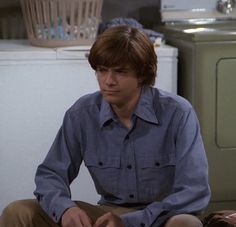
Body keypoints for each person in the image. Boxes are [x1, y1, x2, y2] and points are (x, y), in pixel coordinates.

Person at [1, 25, 211, 227]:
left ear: (141, 75)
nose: (108, 81)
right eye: (102, 70)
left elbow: (194, 191)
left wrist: (129, 222)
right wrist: (65, 209)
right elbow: (50, 175)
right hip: (109, 213)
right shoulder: (82, 114)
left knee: (186, 223)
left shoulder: (178, 113)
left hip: (163, 216)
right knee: (18, 211)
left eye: (119, 72)